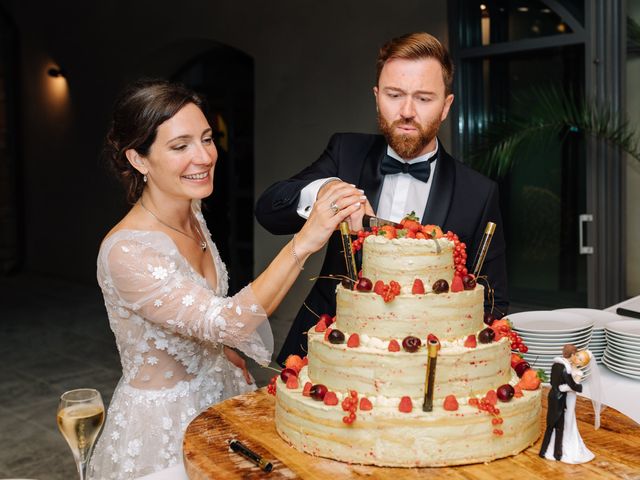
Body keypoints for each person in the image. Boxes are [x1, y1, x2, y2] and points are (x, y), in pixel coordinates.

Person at [88, 80, 365, 479]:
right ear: (139, 159)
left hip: (221, 397)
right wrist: (304, 243)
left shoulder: (192, 211)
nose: (203, 156)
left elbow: (197, 313)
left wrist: (219, 351)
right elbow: (227, 319)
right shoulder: (126, 251)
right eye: (180, 146)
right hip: (164, 429)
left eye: (206, 139)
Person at [255, 32, 508, 365]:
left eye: (423, 98)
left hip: (425, 365)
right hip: (324, 350)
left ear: (446, 106)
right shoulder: (345, 152)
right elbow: (268, 211)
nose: (406, 111)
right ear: (377, 97)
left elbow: (494, 301)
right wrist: (327, 191)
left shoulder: (478, 192)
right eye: (394, 95)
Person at [540, 348, 599, 464]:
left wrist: (563, 388)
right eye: (577, 355)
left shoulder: (578, 372)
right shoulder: (564, 366)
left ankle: (566, 445)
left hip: (570, 398)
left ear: (583, 364)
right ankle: (555, 448)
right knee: (559, 421)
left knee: (568, 419)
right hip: (560, 397)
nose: (577, 359)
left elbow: (574, 386)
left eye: (581, 359)